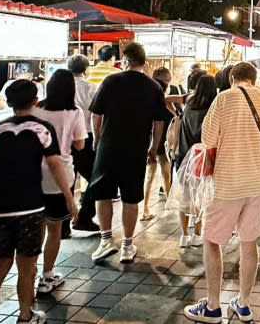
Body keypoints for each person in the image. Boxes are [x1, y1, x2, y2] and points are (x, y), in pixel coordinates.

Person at [0, 80, 77, 324]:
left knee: (1, 264)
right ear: (35, 101)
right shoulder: (42, 128)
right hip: (29, 206)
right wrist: (70, 199)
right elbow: (55, 165)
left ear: (8, 103)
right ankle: (25, 315)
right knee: (27, 265)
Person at [184, 62, 260, 324]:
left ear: (232, 77)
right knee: (250, 244)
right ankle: (244, 305)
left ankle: (213, 307)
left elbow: (208, 139)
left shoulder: (223, 98)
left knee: (212, 242)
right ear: (254, 79)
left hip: (227, 184)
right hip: (257, 182)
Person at [89, 42, 169, 264]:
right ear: (144, 62)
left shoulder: (111, 81)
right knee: (131, 197)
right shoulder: (154, 87)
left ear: (125, 60)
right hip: (136, 148)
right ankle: (127, 244)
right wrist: (153, 147)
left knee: (103, 193)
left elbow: (96, 114)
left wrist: (96, 139)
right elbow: (159, 121)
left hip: (109, 145)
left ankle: (106, 241)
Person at [33, 70, 87, 295]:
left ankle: (30, 272)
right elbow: (80, 145)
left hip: (34, 176)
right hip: (60, 178)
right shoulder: (74, 113)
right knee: (54, 230)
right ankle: (47, 276)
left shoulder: (36, 110)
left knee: (36, 228)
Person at [175, 74, 216, 248]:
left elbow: (166, 99)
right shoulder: (213, 108)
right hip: (202, 156)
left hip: (183, 154)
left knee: (185, 196)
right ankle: (197, 234)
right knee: (200, 195)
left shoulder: (189, 102)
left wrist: (175, 113)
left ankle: (184, 235)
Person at [141, 68, 179, 221]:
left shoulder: (148, 94)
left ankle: (146, 208)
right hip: (162, 141)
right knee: (164, 174)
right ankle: (166, 205)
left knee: (153, 176)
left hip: (153, 141)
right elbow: (173, 115)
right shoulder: (166, 95)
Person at [67, 54, 100, 232]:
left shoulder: (59, 86)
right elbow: (95, 114)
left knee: (67, 181)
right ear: (85, 70)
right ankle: (84, 216)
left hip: (64, 139)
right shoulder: (90, 88)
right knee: (96, 178)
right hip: (86, 137)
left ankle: (63, 224)